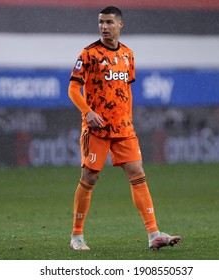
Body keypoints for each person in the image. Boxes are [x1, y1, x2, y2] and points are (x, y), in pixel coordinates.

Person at [68, 6, 181, 251]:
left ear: (120, 25)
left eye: (109, 22)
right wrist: (88, 112)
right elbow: (73, 89)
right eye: (101, 22)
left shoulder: (128, 55)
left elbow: (126, 91)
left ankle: (153, 233)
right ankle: (76, 236)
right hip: (97, 129)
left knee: (137, 173)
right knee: (90, 177)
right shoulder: (88, 54)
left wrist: (128, 120)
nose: (104, 27)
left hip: (123, 129)